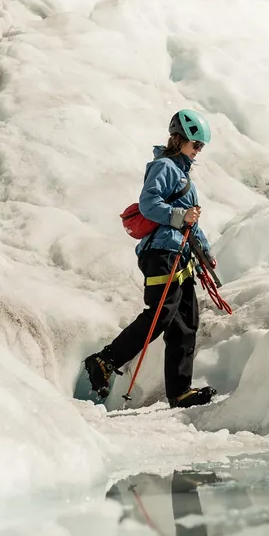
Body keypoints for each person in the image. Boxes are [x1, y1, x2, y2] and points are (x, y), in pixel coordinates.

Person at [84, 109, 218, 409]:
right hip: (162, 253)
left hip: (180, 257)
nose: (199, 151)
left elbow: (191, 223)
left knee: (185, 324)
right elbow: (148, 204)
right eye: (196, 144)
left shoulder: (182, 174)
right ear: (178, 140)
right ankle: (105, 360)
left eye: (201, 146)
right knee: (161, 315)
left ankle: (180, 392)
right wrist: (179, 215)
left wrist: (205, 254)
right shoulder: (165, 167)